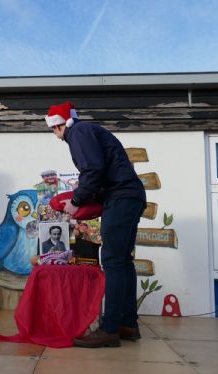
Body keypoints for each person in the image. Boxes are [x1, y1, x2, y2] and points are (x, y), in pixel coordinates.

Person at [45, 101, 146, 348]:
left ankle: (110, 329)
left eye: (52, 129)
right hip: (128, 196)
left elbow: (93, 169)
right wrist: (83, 192)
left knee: (112, 260)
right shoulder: (88, 131)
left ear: (57, 125)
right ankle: (127, 324)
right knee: (122, 261)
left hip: (121, 197)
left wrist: (77, 201)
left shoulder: (78, 132)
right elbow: (100, 173)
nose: (54, 134)